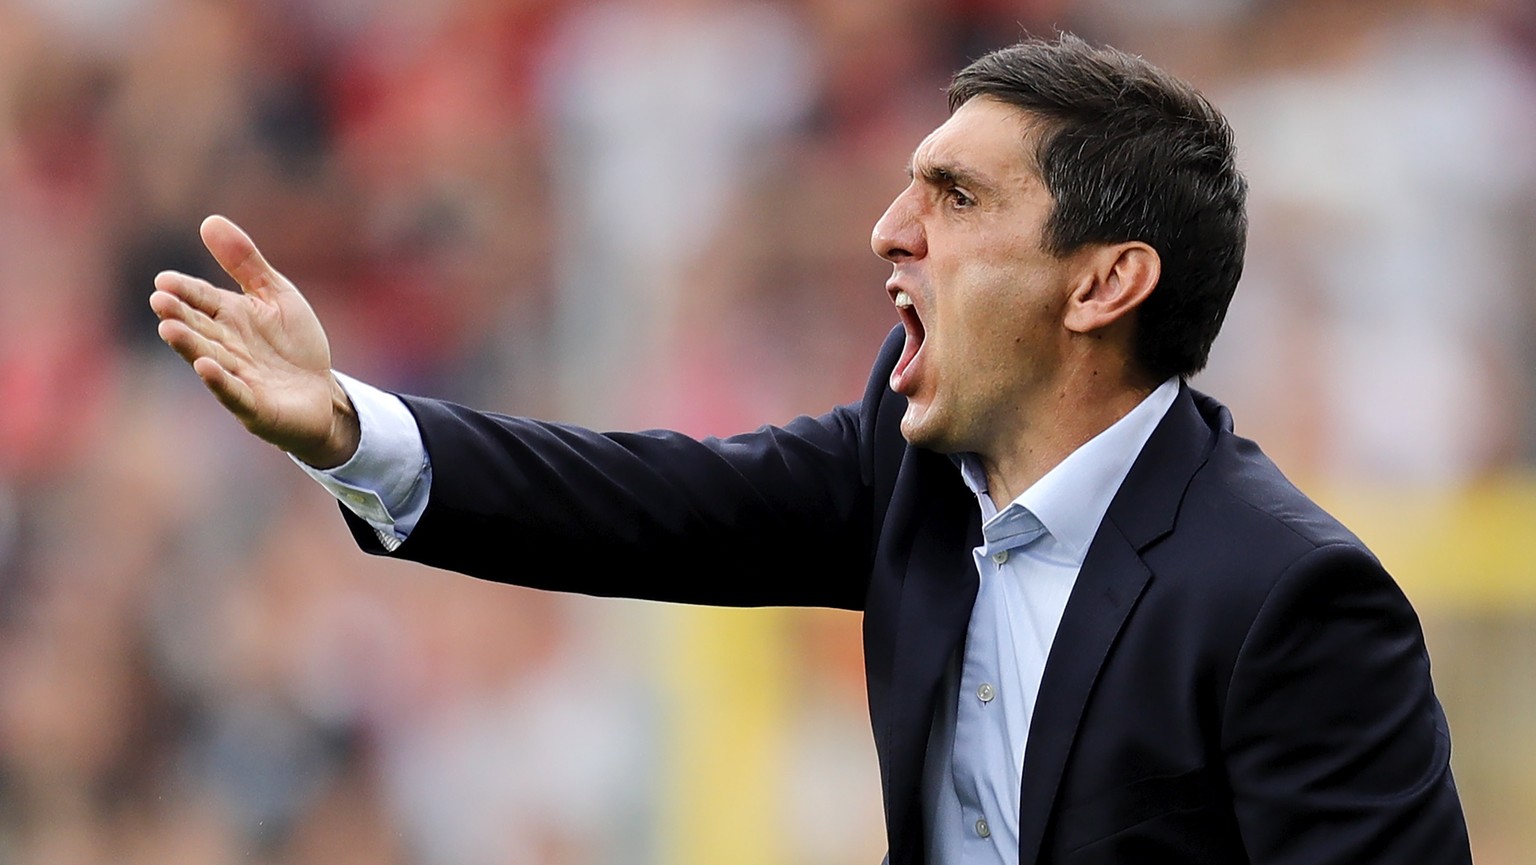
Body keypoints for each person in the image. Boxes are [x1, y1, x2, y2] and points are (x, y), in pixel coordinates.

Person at [149, 34, 1472, 865]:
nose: (890, 230)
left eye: (955, 197)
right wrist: (345, 427)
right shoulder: (909, 474)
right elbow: (634, 504)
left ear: (1104, 283)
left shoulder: (1292, 600)